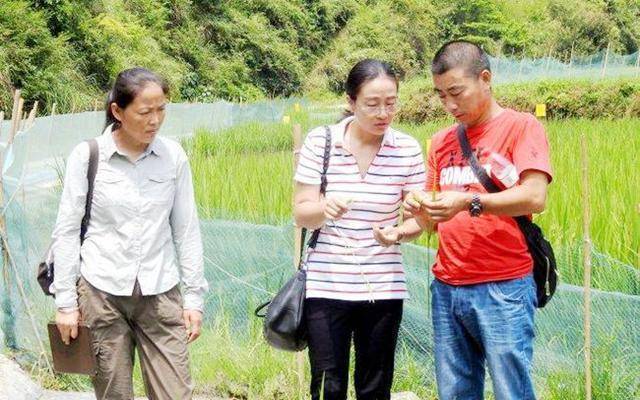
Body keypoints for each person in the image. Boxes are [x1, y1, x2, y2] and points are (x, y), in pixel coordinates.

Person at [404, 40, 553, 400]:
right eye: (441, 96)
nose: (449, 105)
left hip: (502, 287)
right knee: (454, 391)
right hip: (447, 286)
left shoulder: (521, 127)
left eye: (456, 92)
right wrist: (416, 209)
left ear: (485, 78)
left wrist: (469, 202)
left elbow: (535, 196)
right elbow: (433, 218)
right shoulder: (440, 141)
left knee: (510, 390)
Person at [52, 67, 208, 400]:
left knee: (176, 393)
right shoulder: (88, 156)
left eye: (161, 109)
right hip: (101, 293)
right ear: (118, 112)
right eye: (145, 112)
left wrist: (194, 297)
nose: (155, 120)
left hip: (161, 291)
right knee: (114, 394)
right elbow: (66, 231)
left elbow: (186, 229)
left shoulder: (173, 156)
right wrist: (66, 302)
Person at [293, 59, 426, 400]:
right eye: (372, 104)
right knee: (327, 384)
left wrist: (398, 232)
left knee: (375, 385)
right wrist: (325, 208)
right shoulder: (321, 142)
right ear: (351, 102)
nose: (383, 113)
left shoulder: (407, 149)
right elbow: (302, 213)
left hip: (383, 286)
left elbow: (419, 220)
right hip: (327, 285)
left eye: (391, 103)